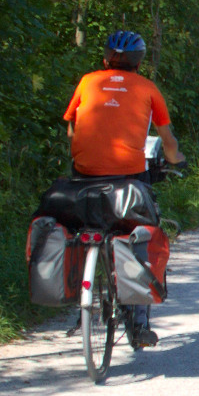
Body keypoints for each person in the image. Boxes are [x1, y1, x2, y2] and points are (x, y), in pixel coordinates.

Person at [62, 30, 185, 348]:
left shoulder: (88, 82)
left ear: (105, 58)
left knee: (82, 224)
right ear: (139, 62)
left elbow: (71, 126)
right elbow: (167, 140)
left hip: (84, 174)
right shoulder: (147, 88)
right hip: (129, 178)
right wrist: (178, 159)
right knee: (143, 232)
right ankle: (140, 321)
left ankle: (79, 297)